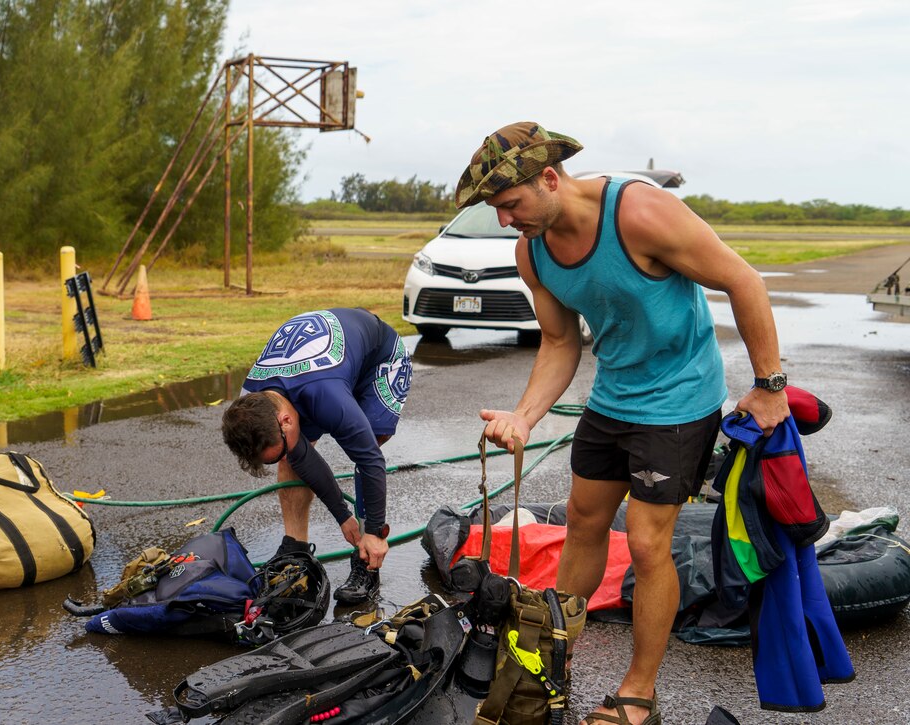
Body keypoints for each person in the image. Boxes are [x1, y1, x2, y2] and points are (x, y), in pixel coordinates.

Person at [455, 122, 790, 725]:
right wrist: (525, 416)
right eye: (496, 210)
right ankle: (551, 666)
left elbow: (743, 279)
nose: (505, 221)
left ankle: (639, 692)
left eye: (510, 204)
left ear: (550, 178)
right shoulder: (532, 251)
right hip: (613, 398)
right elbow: (560, 343)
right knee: (583, 521)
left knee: (645, 540)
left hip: (680, 401)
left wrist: (769, 388)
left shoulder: (640, 213)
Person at [221, 307, 412, 604]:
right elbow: (299, 455)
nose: (281, 458)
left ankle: (366, 560)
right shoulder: (252, 398)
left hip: (380, 360)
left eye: (277, 452)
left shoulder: (326, 397)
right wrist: (342, 515)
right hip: (319, 374)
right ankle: (295, 547)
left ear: (285, 420)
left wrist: (372, 530)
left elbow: (370, 460)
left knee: (368, 443)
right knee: (293, 454)